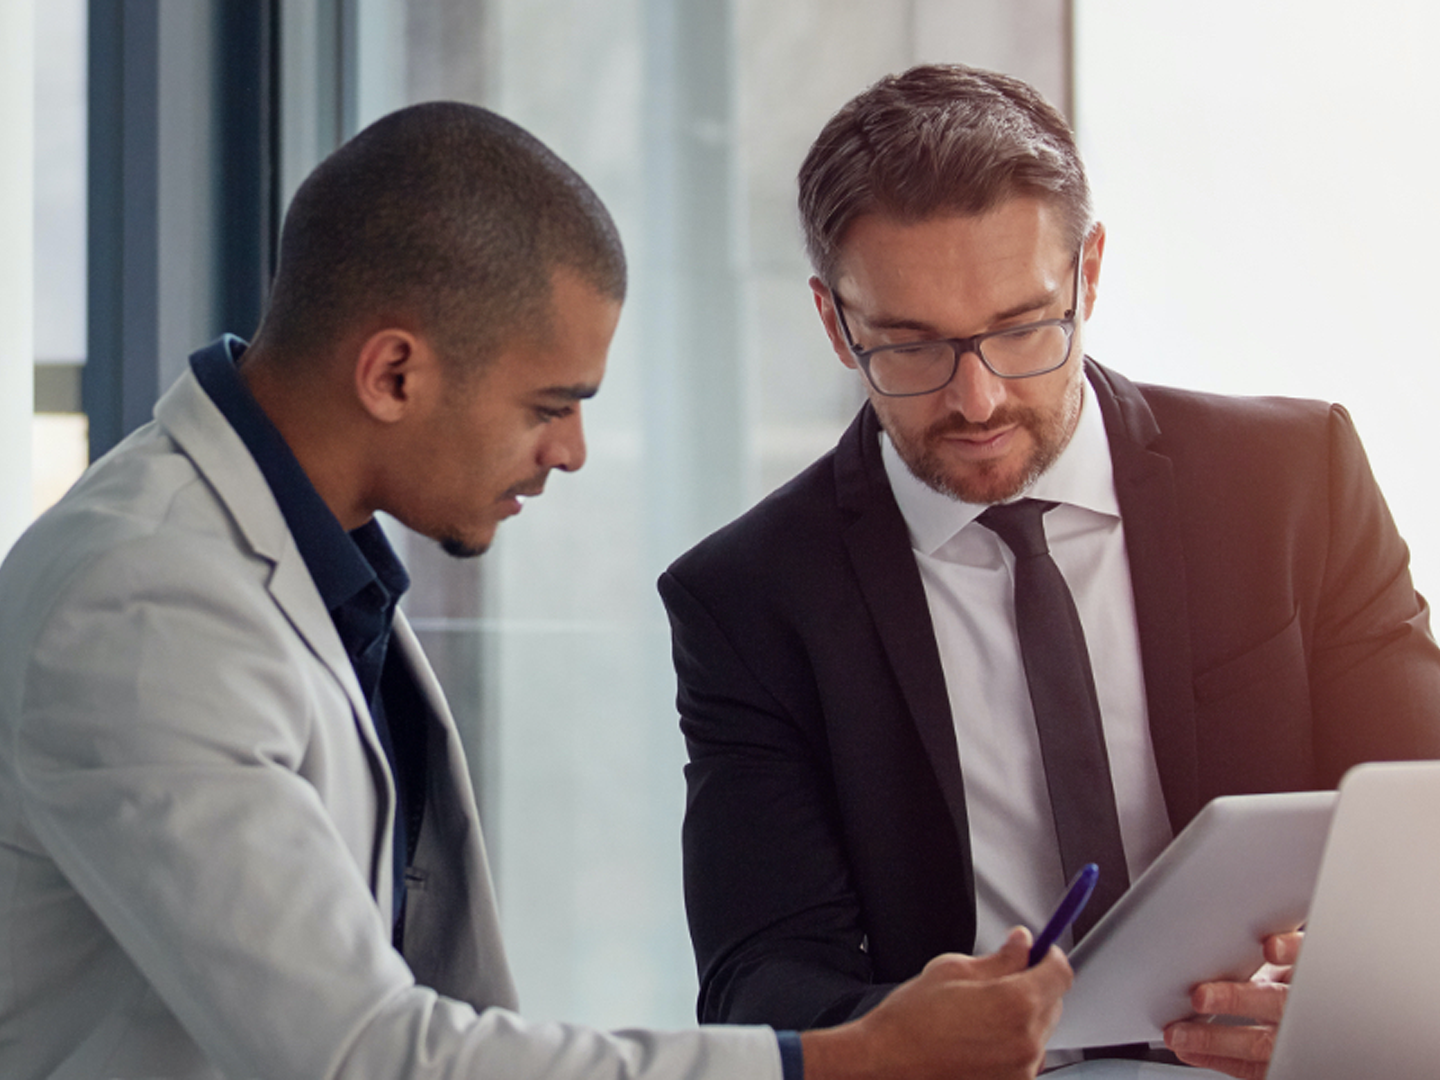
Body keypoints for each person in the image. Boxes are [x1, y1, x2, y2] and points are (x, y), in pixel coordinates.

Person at [0, 102, 1072, 1079]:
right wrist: (845, 1064)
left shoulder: (310, 569)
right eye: (549, 403)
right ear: (394, 375)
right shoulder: (144, 606)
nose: (573, 451)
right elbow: (361, 1055)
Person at [659, 63, 1440, 1078]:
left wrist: (1345, 985)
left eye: (1024, 327)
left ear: (1091, 273)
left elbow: (1426, 812)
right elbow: (758, 973)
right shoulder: (750, 599)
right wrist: (914, 1031)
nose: (977, 400)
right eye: (910, 347)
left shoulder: (1292, 482)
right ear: (832, 321)